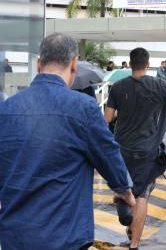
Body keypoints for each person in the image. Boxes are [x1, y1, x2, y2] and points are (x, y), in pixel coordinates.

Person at [0, 33, 135, 249]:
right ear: (73, 65)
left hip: (15, 236)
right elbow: (110, 159)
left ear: (38, 64)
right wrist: (126, 192)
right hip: (65, 236)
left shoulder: (5, 110)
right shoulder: (84, 108)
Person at [104, 48, 166, 249]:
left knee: (124, 186)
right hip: (147, 150)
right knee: (142, 195)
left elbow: (107, 119)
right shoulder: (158, 85)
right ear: (148, 64)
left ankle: (123, 203)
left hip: (122, 149)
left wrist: (121, 115)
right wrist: (165, 96)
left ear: (130, 62)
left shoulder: (117, 87)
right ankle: (134, 244)